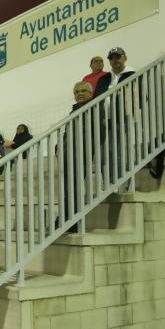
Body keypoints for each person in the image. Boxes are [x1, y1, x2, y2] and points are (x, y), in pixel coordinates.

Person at [93, 46, 137, 184]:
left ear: (124, 58)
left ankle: (115, 182)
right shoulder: (104, 78)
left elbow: (140, 96)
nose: (114, 60)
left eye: (117, 57)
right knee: (100, 154)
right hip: (103, 120)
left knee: (113, 150)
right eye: (111, 58)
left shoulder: (132, 75)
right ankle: (108, 181)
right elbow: (96, 99)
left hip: (121, 118)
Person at [60, 81, 97, 233]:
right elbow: (67, 133)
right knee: (68, 188)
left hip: (82, 152)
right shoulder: (74, 111)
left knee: (74, 187)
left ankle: (72, 220)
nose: (79, 94)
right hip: (69, 154)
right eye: (76, 92)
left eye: (83, 90)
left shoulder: (93, 108)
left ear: (91, 93)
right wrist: (59, 147)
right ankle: (67, 219)